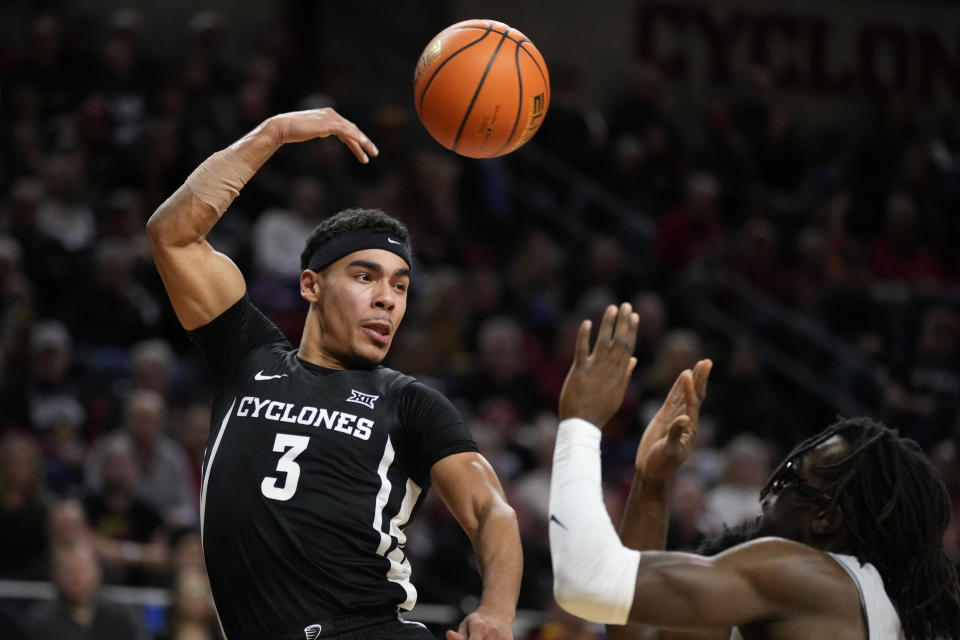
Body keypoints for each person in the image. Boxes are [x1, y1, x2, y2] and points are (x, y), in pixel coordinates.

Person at [146, 108, 521, 640]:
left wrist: (497, 610)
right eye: (365, 277)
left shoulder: (411, 402)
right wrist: (273, 134)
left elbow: (492, 511)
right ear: (310, 286)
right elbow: (172, 235)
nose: (386, 299)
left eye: (400, 285)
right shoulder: (248, 356)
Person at [548, 302, 960, 640]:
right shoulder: (869, 599)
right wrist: (652, 484)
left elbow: (585, 581)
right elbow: (634, 630)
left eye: (790, 475)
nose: (768, 491)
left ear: (825, 518)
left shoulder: (798, 573)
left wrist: (581, 422)